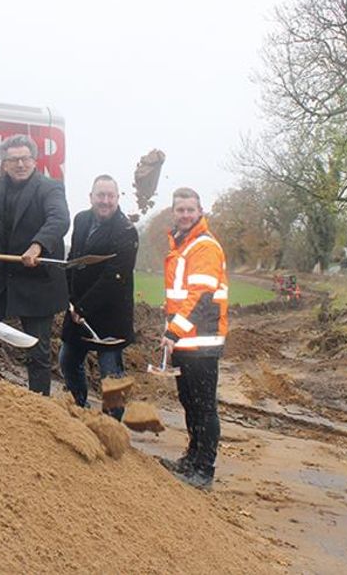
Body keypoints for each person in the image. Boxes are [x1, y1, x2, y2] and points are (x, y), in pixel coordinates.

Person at [0, 134, 70, 397]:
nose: (20, 164)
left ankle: (38, 404)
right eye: (13, 160)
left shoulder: (50, 188)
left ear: (34, 161)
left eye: (25, 158)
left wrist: (37, 246)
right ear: (4, 164)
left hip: (38, 279)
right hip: (3, 277)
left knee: (37, 349)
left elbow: (59, 220)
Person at [158, 187, 229, 490]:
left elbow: (200, 298)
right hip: (185, 341)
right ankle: (191, 457)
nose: (185, 214)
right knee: (189, 402)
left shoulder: (204, 247)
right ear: (173, 212)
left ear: (200, 211)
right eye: (180, 209)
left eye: (190, 209)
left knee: (204, 406)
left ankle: (204, 468)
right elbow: (178, 298)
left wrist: (173, 331)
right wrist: (171, 331)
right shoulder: (181, 246)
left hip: (202, 341)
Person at [59, 175, 138, 420]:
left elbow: (114, 276)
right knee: (68, 360)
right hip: (78, 308)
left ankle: (112, 423)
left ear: (117, 198)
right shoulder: (81, 220)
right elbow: (74, 259)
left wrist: (83, 307)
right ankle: (78, 408)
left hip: (110, 313)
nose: (105, 201)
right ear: (91, 197)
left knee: (111, 374)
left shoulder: (126, 231)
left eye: (110, 196)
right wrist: (69, 296)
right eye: (100, 195)